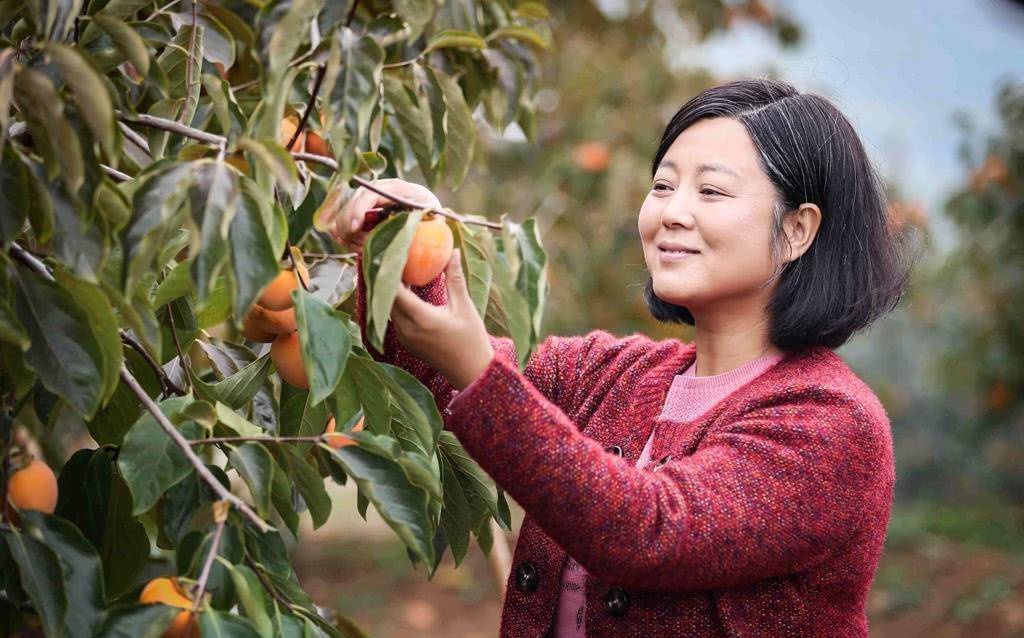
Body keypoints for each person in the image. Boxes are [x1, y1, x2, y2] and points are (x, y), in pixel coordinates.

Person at [325, 78, 916, 637]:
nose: (671, 213)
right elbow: (435, 370)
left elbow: (646, 529)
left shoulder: (831, 423)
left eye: (710, 190)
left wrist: (477, 370)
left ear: (796, 231)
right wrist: (406, 239)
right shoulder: (616, 373)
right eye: (662, 186)